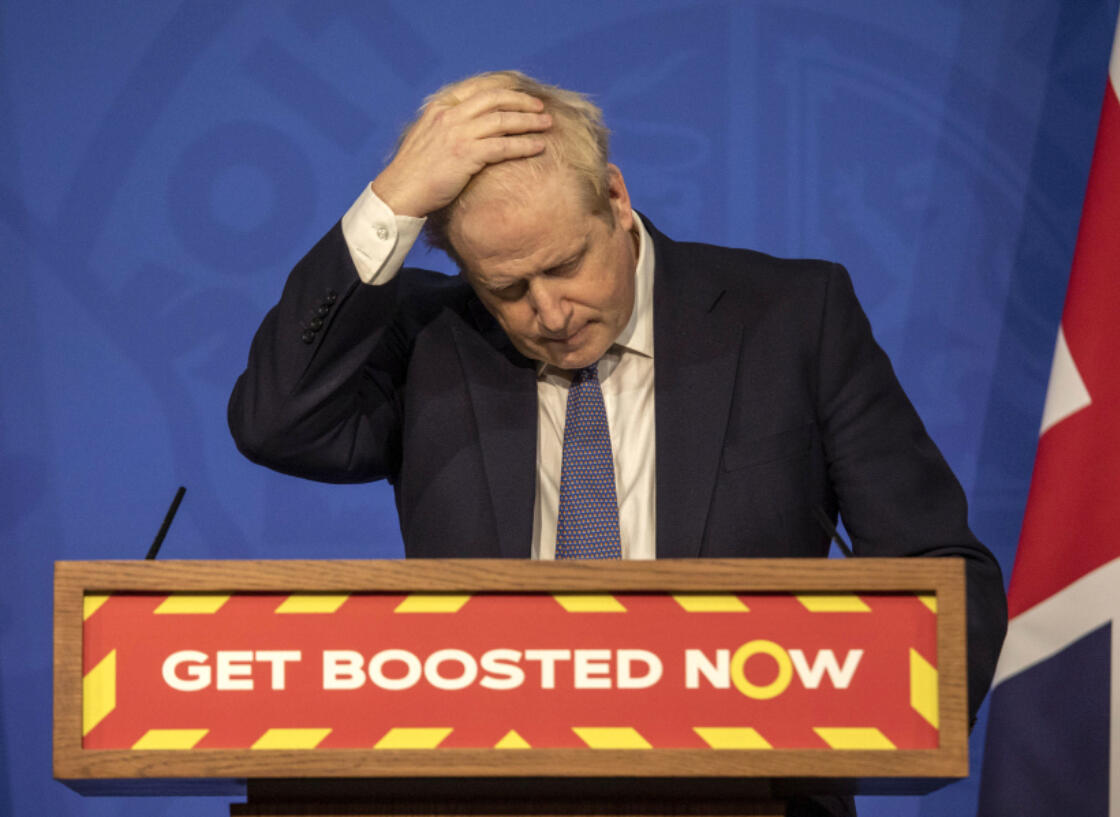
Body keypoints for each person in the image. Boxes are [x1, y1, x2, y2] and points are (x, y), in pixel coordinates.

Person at [229, 71, 1007, 815]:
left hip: (753, 799)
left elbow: (939, 567)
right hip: (479, 798)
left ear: (615, 199)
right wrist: (391, 200)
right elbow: (276, 420)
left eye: (566, 264)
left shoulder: (792, 318)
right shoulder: (431, 343)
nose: (550, 311)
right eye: (506, 288)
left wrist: (875, 726)